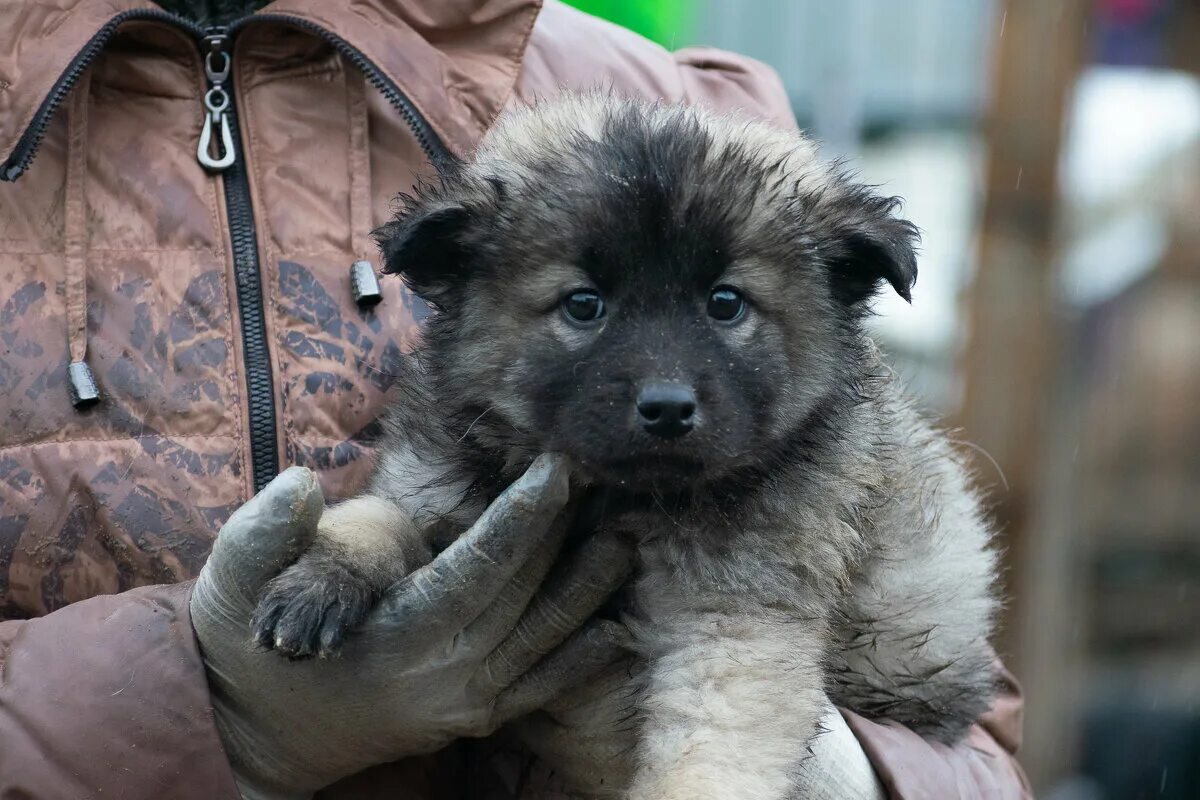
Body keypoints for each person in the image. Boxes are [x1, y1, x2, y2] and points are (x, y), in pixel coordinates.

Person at [0, 1, 1032, 797]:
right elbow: (414, 507)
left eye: (727, 306)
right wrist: (214, 709)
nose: (667, 386)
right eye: (581, 305)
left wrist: (838, 771)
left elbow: (968, 742)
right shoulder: (487, 292)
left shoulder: (659, 98)